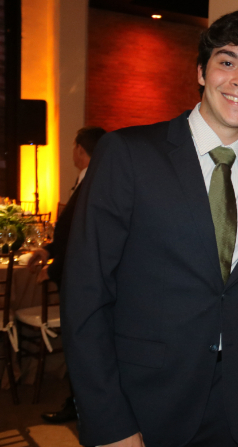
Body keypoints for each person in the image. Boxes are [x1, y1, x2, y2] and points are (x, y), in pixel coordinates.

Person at [61, 9, 238, 447]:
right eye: (227, 62)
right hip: (143, 404)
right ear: (201, 71)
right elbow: (85, 294)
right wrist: (109, 422)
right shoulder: (128, 154)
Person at [26, 126, 106, 424]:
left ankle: (81, 407)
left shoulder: (96, 184)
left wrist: (54, 269)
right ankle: (78, 403)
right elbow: (69, 232)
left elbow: (84, 242)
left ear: (80, 150)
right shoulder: (87, 179)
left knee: (82, 346)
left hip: (83, 283)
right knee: (80, 345)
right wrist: (47, 250)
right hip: (74, 277)